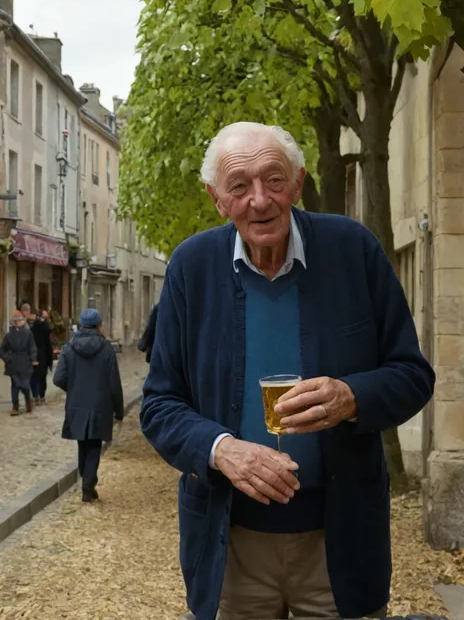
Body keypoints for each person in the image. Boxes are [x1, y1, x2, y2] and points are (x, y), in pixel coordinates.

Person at [140, 122, 436, 620]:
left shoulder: (354, 250)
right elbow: (160, 405)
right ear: (218, 199)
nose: (259, 200)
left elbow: (412, 375)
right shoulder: (191, 268)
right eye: (239, 186)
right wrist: (221, 449)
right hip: (230, 543)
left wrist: (351, 396)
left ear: (297, 183)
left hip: (338, 541)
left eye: (273, 180)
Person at [53, 309, 124, 502]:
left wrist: (74, 388)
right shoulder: (107, 349)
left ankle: (86, 480)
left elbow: (58, 378)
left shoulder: (68, 347)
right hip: (101, 404)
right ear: (99, 326)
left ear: (81, 325)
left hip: (77, 403)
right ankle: (88, 483)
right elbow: (114, 382)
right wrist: (119, 410)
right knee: (94, 444)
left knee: (82, 443)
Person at [0, 310, 37, 416]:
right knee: (15, 385)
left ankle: (27, 401)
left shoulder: (28, 333)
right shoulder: (8, 335)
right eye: (16, 321)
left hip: (25, 362)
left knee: (25, 384)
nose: (19, 322)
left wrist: (33, 359)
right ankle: (15, 406)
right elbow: (2, 349)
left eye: (20, 320)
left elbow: (32, 347)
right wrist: (8, 358)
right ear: (14, 322)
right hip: (13, 363)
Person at [30, 310, 53, 405]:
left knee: (34, 376)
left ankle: (35, 397)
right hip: (43, 355)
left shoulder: (32, 328)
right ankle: (42, 396)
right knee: (42, 377)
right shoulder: (44, 327)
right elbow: (48, 343)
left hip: (33, 355)